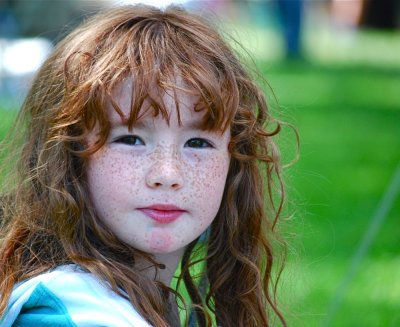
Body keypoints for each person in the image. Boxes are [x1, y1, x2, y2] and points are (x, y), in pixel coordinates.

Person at [0, 4, 289, 327]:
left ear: (233, 163)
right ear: (67, 154)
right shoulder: (66, 315)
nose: (167, 174)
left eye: (198, 143)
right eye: (131, 140)